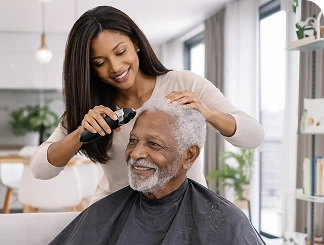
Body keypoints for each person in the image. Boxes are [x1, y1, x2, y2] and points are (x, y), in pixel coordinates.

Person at [30, 5, 265, 203]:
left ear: (136, 43)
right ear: (90, 69)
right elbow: (40, 169)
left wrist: (207, 112)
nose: (115, 67)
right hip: (115, 215)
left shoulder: (185, 83)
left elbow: (254, 136)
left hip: (183, 210)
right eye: (100, 62)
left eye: (120, 52)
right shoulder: (90, 109)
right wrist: (81, 133)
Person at [49, 99, 266, 245]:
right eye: (133, 141)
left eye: (153, 144)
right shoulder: (103, 213)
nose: (135, 154)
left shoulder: (225, 221)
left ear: (188, 155)